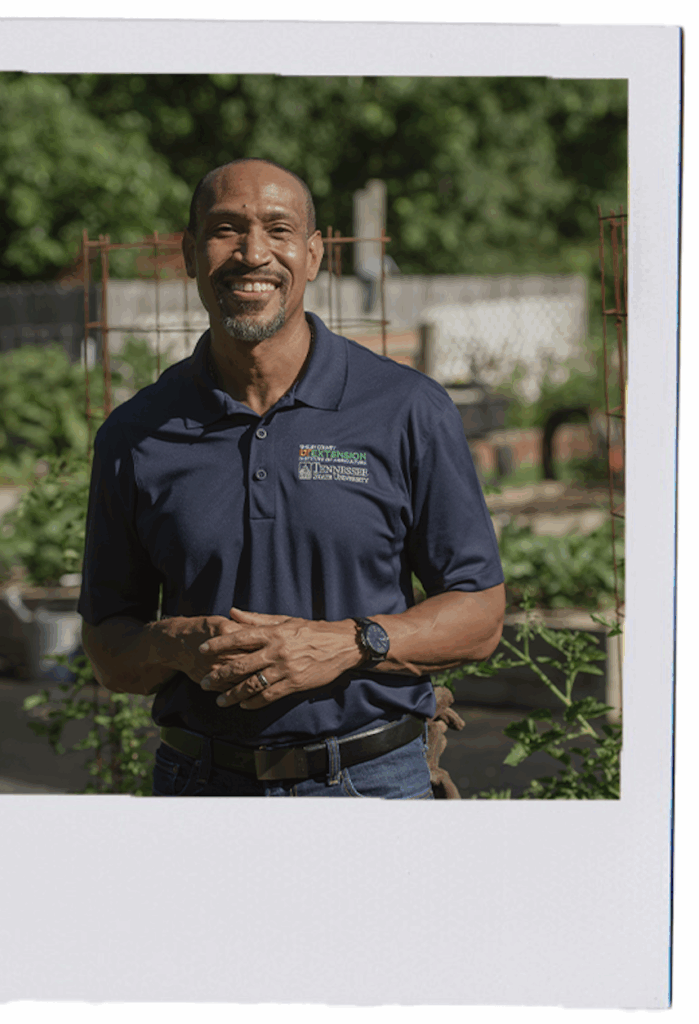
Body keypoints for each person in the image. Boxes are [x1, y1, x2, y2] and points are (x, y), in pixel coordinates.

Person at [78, 157, 505, 797]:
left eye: (278, 230)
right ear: (191, 253)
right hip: (199, 788)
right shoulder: (135, 434)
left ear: (313, 255)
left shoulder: (405, 409)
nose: (253, 254)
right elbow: (109, 648)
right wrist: (175, 645)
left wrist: (350, 643)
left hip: (374, 782)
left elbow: (481, 614)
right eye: (227, 229)